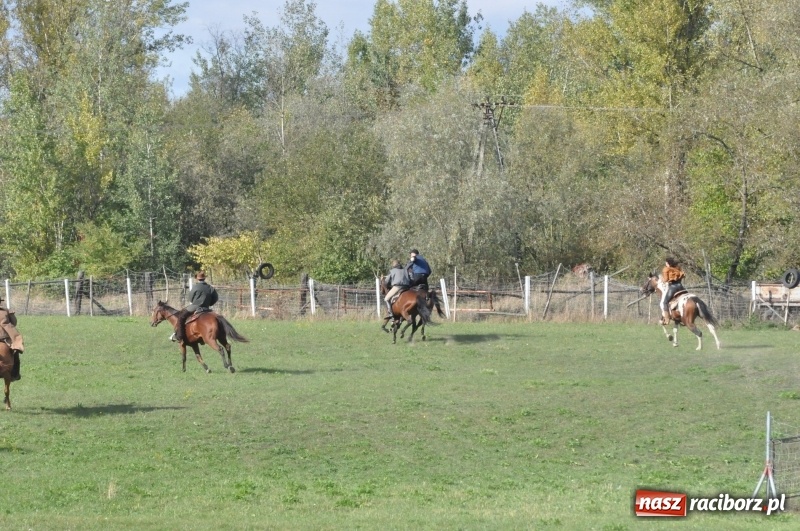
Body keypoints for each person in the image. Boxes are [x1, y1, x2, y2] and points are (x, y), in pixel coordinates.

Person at [173, 271, 219, 343]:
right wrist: (210, 304)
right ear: (204, 278)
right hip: (207, 308)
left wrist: (195, 302)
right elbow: (216, 298)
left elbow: (190, 298)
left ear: (197, 279)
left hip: (195, 307)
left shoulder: (195, 287)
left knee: (181, 317)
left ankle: (180, 336)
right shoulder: (210, 287)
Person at [0, 297, 24, 381]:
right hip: (4, 339)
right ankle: (15, 374)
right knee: (15, 352)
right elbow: (14, 323)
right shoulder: (6, 311)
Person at [660, 257, 686, 325]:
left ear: (668, 263)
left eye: (666, 262)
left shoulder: (666, 269)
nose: (665, 263)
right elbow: (683, 276)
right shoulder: (678, 268)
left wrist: (661, 279)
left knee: (665, 302)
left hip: (673, 287)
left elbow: (665, 280)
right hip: (681, 287)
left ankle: (667, 319)